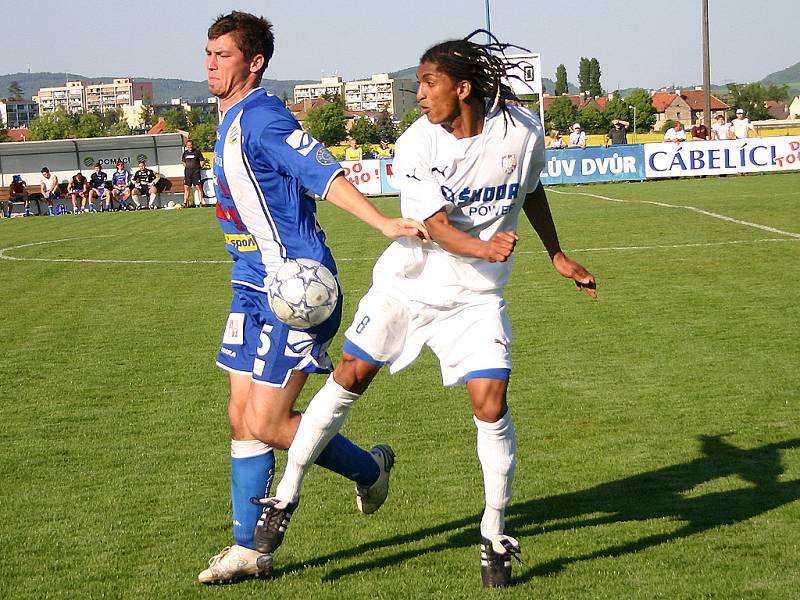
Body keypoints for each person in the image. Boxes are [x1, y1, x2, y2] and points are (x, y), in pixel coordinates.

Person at [255, 31, 597, 589]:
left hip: (475, 298)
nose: (419, 94)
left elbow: (530, 189)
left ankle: (493, 533)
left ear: (463, 88)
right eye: (418, 84)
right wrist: (485, 246)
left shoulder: (522, 133)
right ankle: (286, 495)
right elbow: (434, 227)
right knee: (349, 376)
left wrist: (556, 253)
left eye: (428, 83)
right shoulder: (416, 144)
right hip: (407, 287)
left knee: (492, 403)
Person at [196, 11, 425, 585]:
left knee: (269, 422)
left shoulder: (263, 117)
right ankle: (249, 549)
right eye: (208, 53)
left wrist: (381, 222)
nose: (210, 64)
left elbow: (323, 173)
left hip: (298, 289)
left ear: (255, 62)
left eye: (223, 55)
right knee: (240, 418)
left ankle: (369, 468)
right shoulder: (225, 119)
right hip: (250, 282)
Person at [181, 139, 206, 207]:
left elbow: (202, 161)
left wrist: (199, 167)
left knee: (198, 187)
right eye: (188, 145)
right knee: (186, 187)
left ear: (193, 145)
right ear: (186, 146)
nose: (190, 147)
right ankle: (185, 203)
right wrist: (186, 166)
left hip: (195, 172)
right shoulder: (185, 153)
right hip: (187, 173)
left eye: (191, 145)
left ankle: (201, 203)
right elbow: (183, 161)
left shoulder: (197, 152)